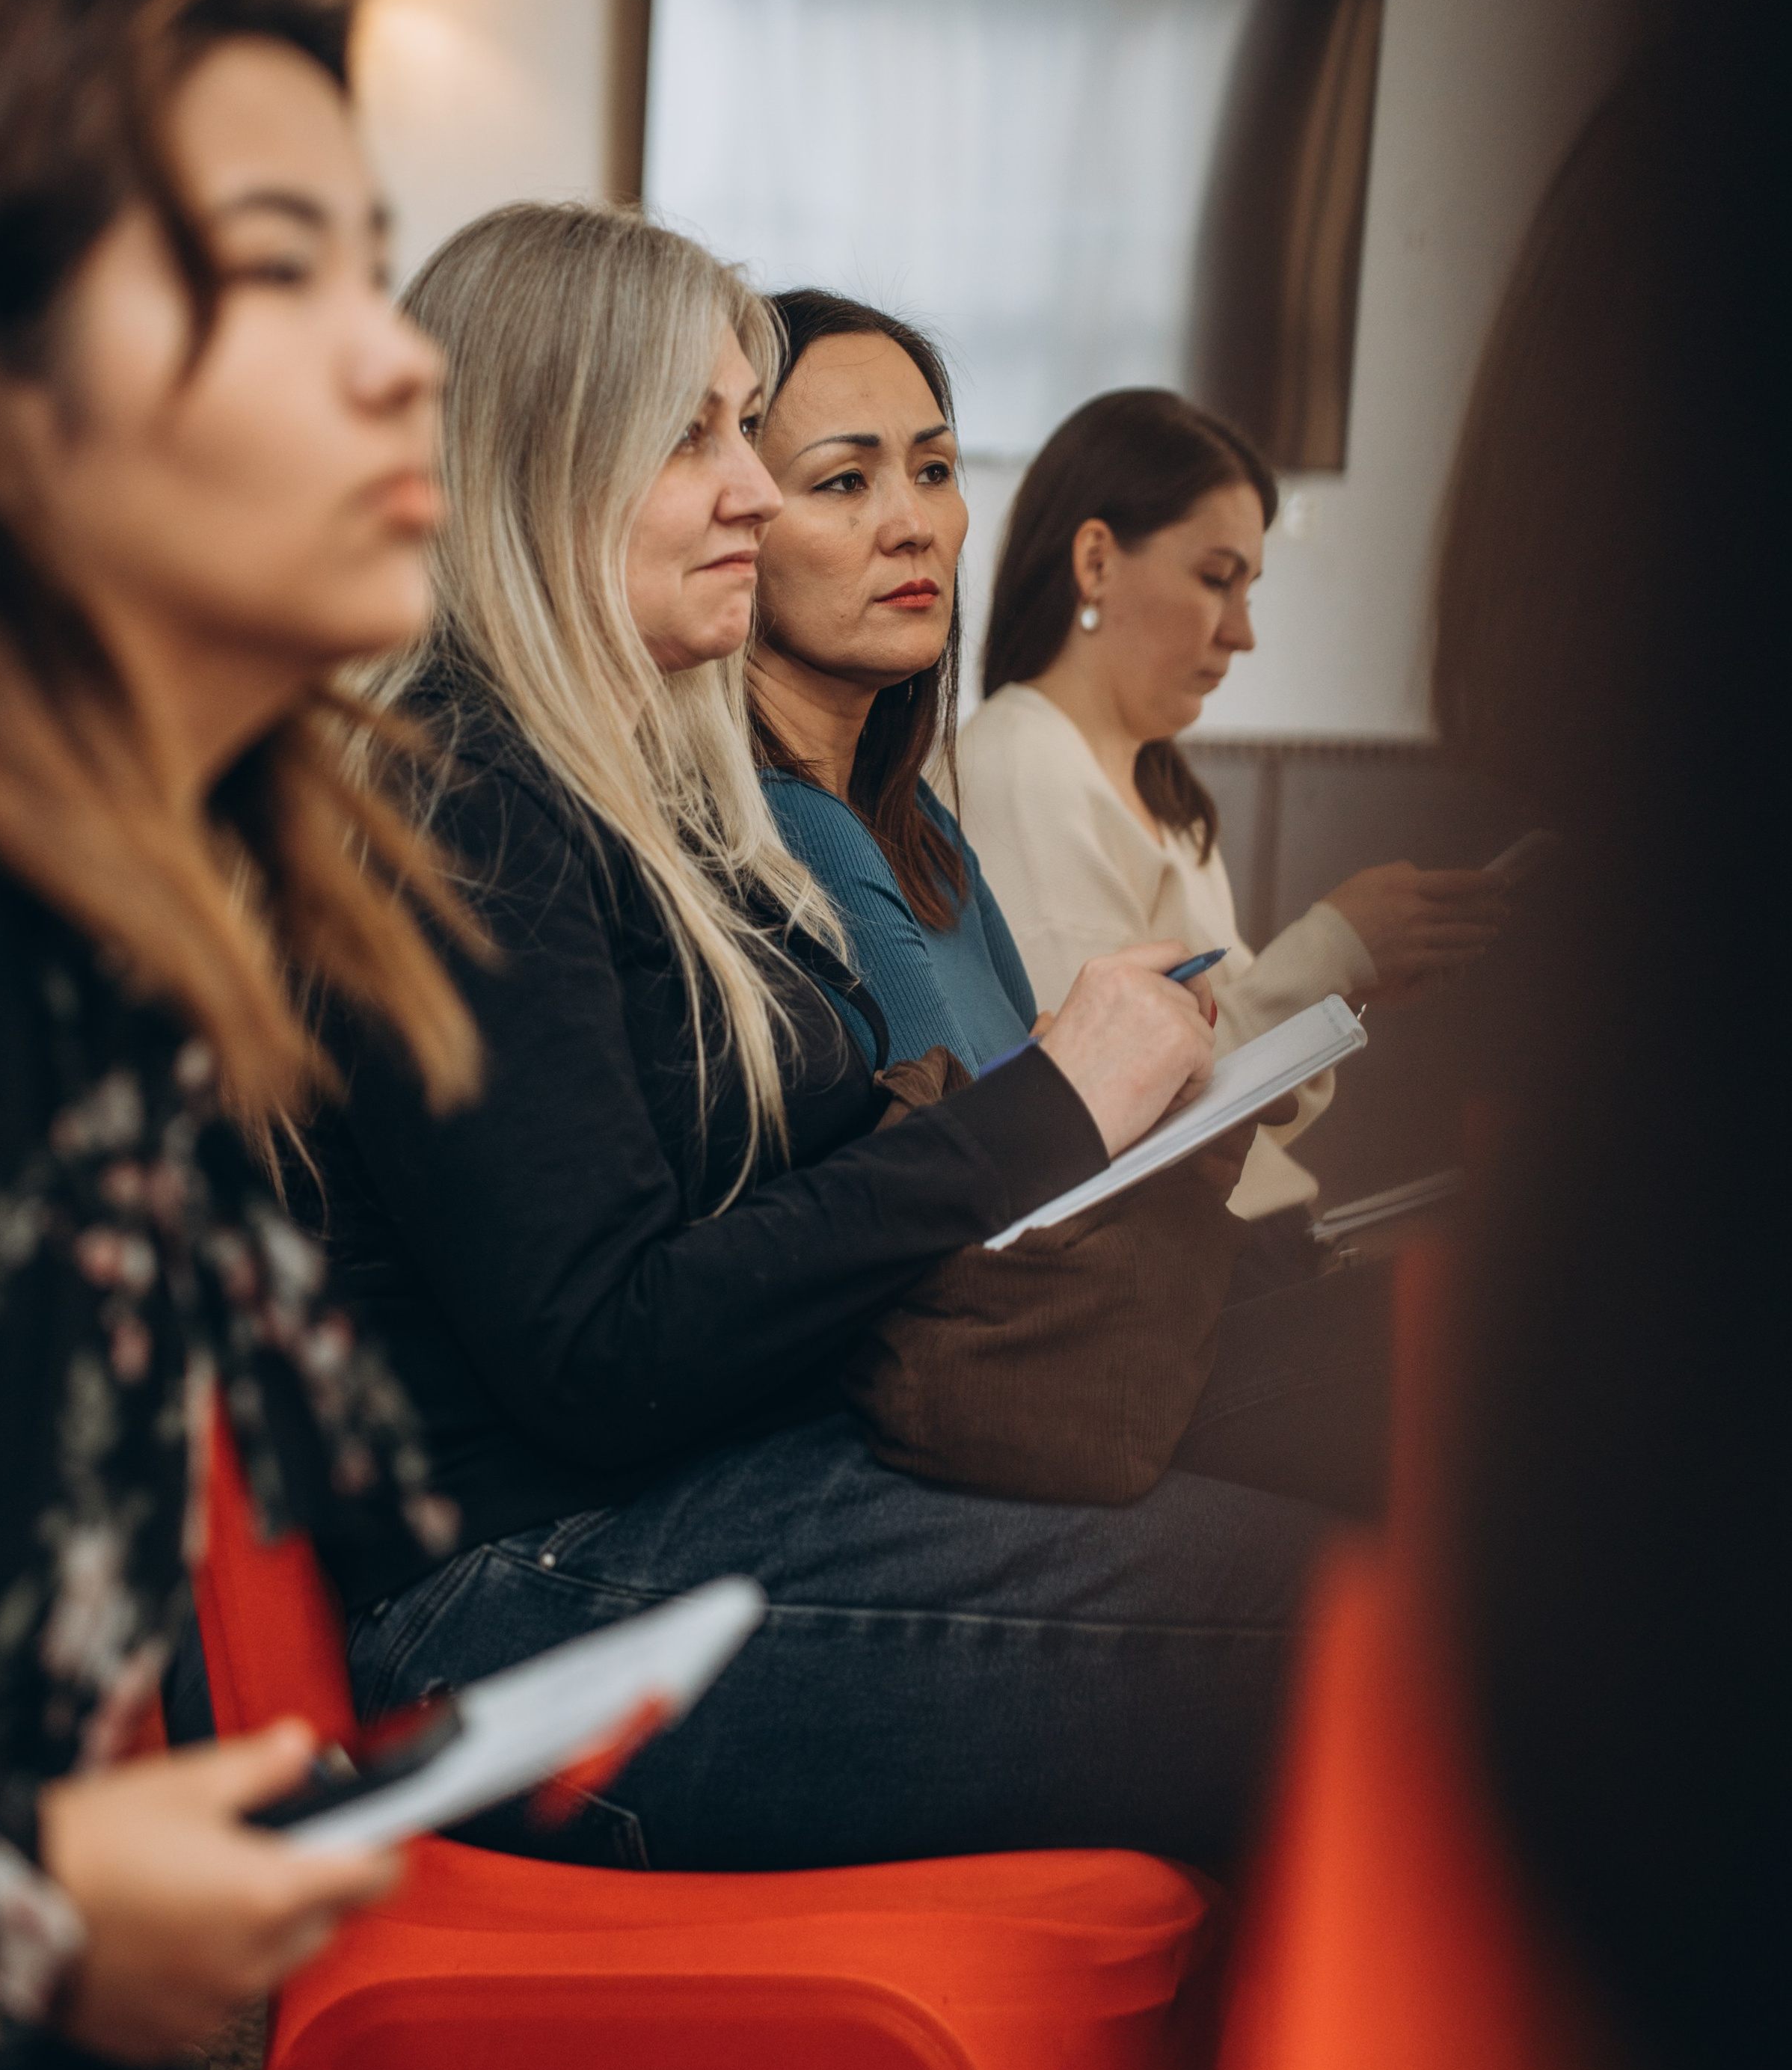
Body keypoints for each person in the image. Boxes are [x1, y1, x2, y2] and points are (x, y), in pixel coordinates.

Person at [301, 198, 1397, 1893]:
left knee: (1405, 1471)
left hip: (699, 1499)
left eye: (745, 429)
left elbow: (774, 1219)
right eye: (695, 437)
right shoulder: (463, 791)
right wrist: (1037, 1115)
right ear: (544, 465)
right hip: (528, 1609)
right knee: (1374, 1653)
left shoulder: (620, 795)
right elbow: (600, 1350)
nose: (748, 484)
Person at [0, 0, 591, 2070]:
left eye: (366, 260)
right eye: (273, 264)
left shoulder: (110, 952)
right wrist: (32, 1907)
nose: (398, 353)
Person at [957, 389, 1508, 1280]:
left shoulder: (1158, 791)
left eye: (1248, 589)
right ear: (1095, 561)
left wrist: (1356, 974)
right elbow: (1105, 1110)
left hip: (1245, 1250)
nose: (1242, 633)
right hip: (1169, 1289)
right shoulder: (1021, 767)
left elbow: (1233, 1071)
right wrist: (1334, 948)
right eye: (1217, 579)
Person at [746, 289, 1037, 1075]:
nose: (915, 524)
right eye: (844, 480)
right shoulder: (780, 819)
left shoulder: (915, 819)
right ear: (734, 517)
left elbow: (1016, 1087)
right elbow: (970, 1162)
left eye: (934, 470)